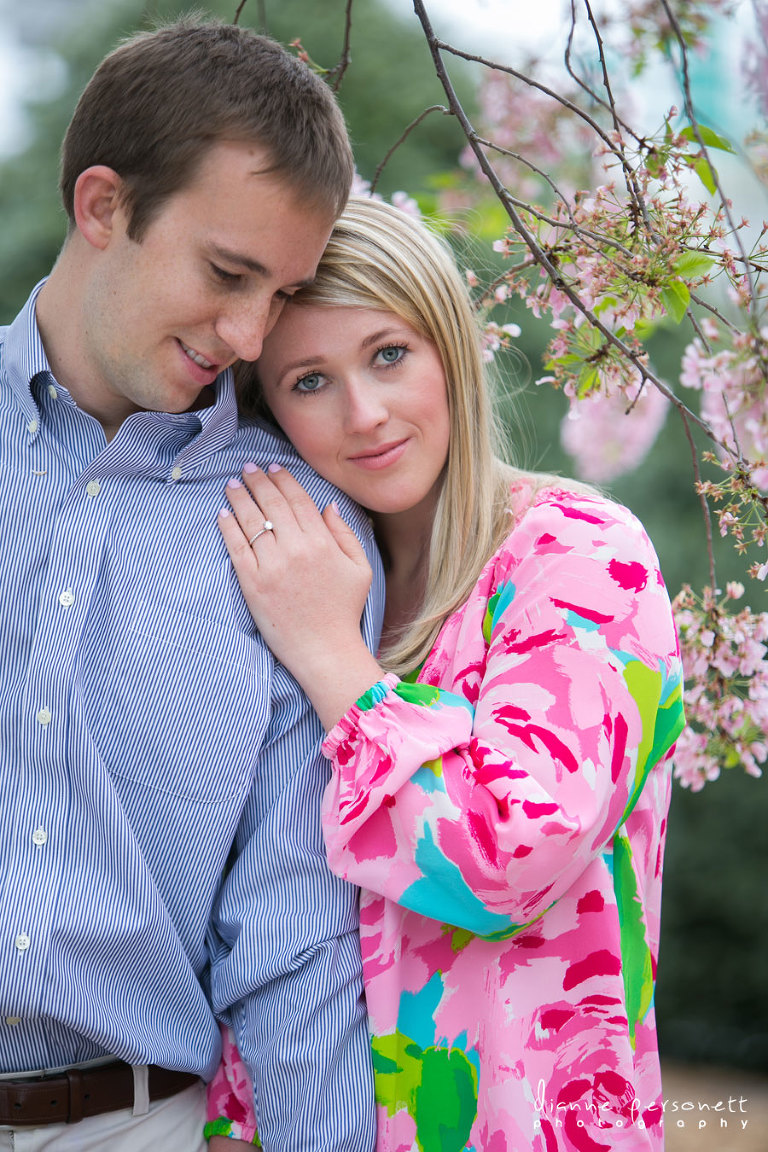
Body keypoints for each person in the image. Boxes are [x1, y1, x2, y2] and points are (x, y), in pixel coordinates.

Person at [210, 196, 686, 1150]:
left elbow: (511, 861)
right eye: (310, 380)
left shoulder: (583, 558)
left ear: (452, 349)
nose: (365, 414)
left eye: (389, 355)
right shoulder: (290, 575)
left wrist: (331, 659)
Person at [0, 19, 382, 1152]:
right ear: (104, 206)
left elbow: (295, 939)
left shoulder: (297, 536)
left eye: (282, 292)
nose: (249, 333)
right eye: (227, 274)